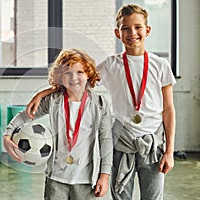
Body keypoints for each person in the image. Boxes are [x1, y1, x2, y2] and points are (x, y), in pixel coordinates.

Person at [26, 4, 176, 200]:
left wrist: (170, 151)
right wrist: (45, 92)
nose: (133, 33)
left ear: (147, 30)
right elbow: (76, 82)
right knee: (121, 197)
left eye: (138, 27)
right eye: (125, 28)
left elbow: (168, 110)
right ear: (117, 33)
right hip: (121, 145)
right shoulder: (110, 65)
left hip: (153, 145)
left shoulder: (160, 65)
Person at [3, 48, 113, 199]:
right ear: (60, 77)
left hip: (86, 180)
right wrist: (7, 135)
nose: (74, 77)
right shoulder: (53, 101)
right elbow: (25, 116)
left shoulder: (100, 104)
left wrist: (104, 175)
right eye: (67, 72)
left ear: (89, 74)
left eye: (80, 72)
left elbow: (106, 141)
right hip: (56, 178)